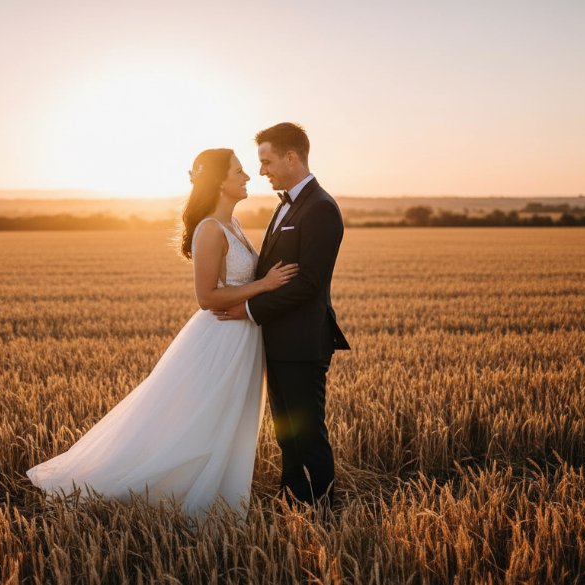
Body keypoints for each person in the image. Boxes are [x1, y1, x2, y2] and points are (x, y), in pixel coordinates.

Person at [26, 148, 299, 518]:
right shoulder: (209, 229)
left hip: (242, 338)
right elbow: (206, 297)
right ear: (219, 181)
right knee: (200, 420)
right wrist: (264, 285)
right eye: (239, 171)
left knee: (227, 420)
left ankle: (216, 495)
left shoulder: (233, 225)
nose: (248, 176)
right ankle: (169, 495)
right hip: (219, 339)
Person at [215, 122, 350, 507]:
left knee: (308, 434)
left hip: (303, 343)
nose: (262, 171)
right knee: (287, 434)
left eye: (267, 161)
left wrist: (248, 308)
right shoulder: (286, 204)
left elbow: (308, 284)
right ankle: (292, 501)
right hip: (278, 341)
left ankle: (324, 510)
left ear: (292, 157)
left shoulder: (321, 208)